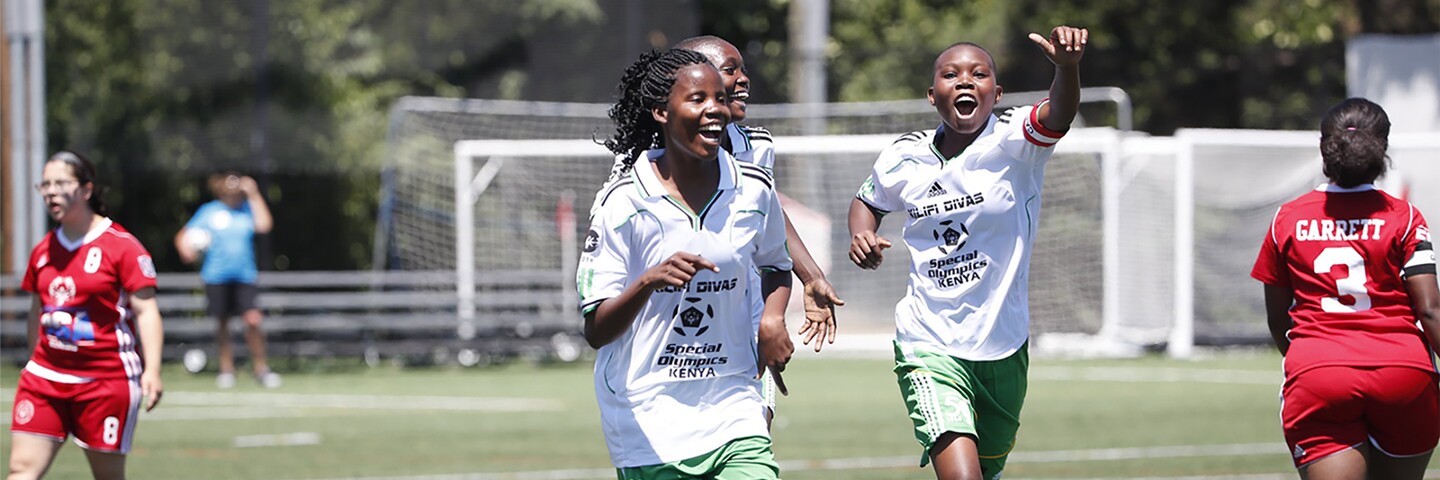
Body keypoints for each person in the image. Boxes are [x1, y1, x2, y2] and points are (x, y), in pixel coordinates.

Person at [847, 26, 1088, 480]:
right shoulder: (904, 157)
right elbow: (867, 202)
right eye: (950, 74)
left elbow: (1059, 113)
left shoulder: (1016, 141)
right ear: (931, 94)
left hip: (1003, 345)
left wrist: (1067, 68)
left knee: (988, 471)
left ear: (996, 94)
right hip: (928, 342)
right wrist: (862, 235)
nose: (964, 81)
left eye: (978, 74)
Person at [578, 47, 792, 479]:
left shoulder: (752, 189)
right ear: (661, 111)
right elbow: (596, 330)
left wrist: (772, 319)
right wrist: (649, 281)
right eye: (698, 99)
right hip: (646, 411)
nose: (715, 110)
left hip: (733, 400)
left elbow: (776, 264)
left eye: (719, 99)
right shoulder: (623, 203)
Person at [1251, 98, 1439, 479]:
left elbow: (1277, 317)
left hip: (1319, 373)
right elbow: (1430, 310)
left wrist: (1315, 360)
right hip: (1404, 374)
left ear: (1325, 148)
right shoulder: (1402, 216)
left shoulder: (1287, 217)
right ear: (1381, 149)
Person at [8, 151, 165, 480]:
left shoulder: (122, 246)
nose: (51, 191)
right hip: (45, 379)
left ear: (86, 190)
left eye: (60, 183)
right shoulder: (43, 250)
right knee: (21, 470)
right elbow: (37, 312)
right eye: (45, 184)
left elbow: (146, 310)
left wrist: (152, 369)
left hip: (105, 382)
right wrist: (32, 361)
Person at [174, 172, 280, 389]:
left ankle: (261, 369)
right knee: (222, 324)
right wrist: (186, 250)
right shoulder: (209, 211)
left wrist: (254, 193)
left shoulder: (246, 209)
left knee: (253, 320)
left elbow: (265, 225)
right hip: (216, 276)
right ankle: (226, 370)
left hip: (245, 276)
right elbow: (183, 235)